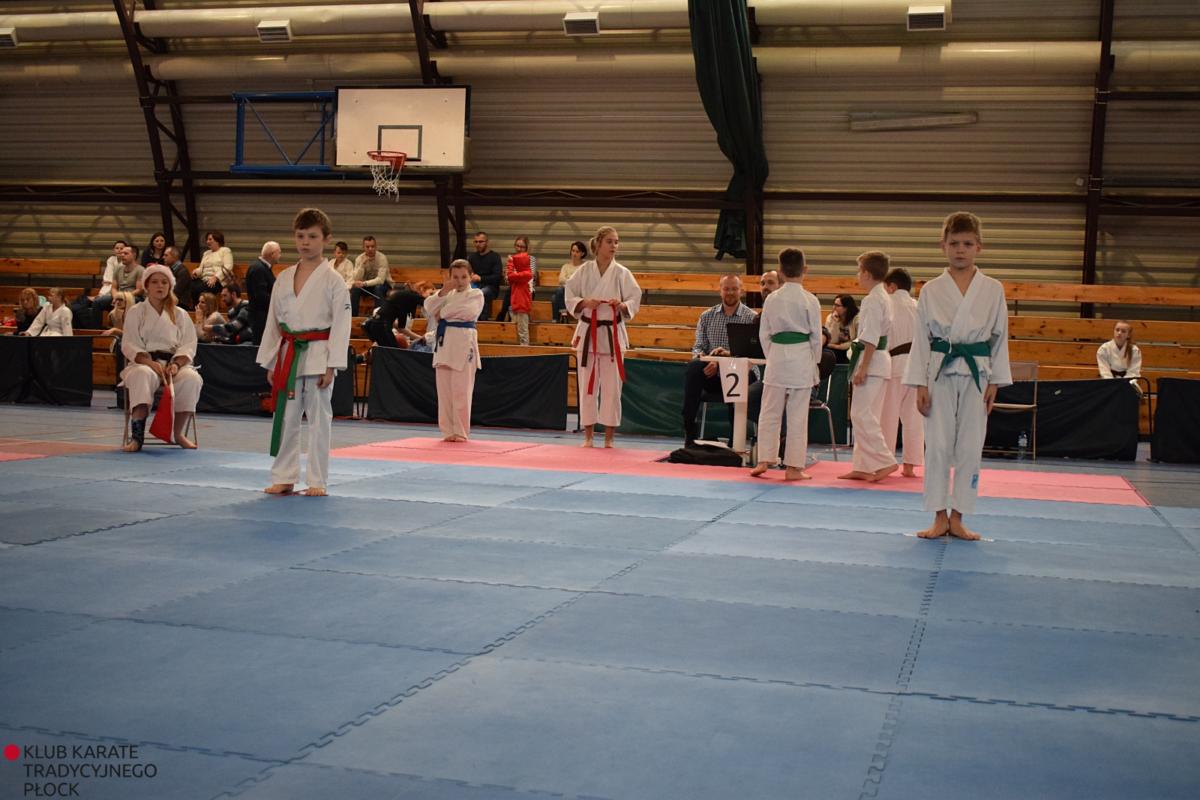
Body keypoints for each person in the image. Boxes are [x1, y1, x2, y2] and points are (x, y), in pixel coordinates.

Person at [904, 212, 1012, 541]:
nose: (960, 250)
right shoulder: (931, 289)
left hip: (978, 372)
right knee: (936, 445)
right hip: (939, 370)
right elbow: (921, 339)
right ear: (943, 246)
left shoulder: (992, 289)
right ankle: (939, 515)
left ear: (979, 247)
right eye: (954, 244)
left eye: (967, 243)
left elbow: (1000, 337)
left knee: (969, 446)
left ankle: (959, 516)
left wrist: (996, 381)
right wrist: (919, 383)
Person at [258, 207, 352, 497]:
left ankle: (317, 480)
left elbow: (342, 325)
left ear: (326, 239)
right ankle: (284, 476)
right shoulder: (284, 277)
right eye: (300, 236)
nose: (305, 242)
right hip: (288, 354)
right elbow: (273, 322)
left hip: (319, 354)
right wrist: (271, 362)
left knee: (319, 420)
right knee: (286, 417)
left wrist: (332, 365)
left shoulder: (334, 280)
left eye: (312, 236)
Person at [565, 225, 642, 448]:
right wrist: (584, 303)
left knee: (612, 388)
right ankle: (588, 436)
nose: (614, 246)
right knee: (586, 386)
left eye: (616, 242)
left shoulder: (622, 273)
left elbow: (634, 298)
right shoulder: (583, 271)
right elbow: (570, 295)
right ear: (598, 244)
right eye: (609, 241)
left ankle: (609, 438)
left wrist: (622, 305)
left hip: (612, 333)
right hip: (588, 332)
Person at [751, 249, 823, 481]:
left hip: (777, 357)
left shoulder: (772, 299)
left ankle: (764, 459)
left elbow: (764, 334)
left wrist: (773, 355)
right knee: (797, 416)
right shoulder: (810, 300)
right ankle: (793, 468)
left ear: (780, 272)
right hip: (801, 357)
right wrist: (814, 362)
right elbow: (816, 337)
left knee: (769, 411)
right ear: (805, 270)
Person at [120, 264, 202, 452]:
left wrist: (176, 364)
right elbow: (129, 343)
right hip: (144, 363)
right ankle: (137, 437)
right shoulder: (136, 312)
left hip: (173, 366)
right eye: (155, 282)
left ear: (170, 286)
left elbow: (189, 344)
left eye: (164, 282)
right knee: (142, 375)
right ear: (146, 286)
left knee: (192, 378)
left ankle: (178, 433)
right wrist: (149, 362)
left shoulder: (180, 314)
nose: (160, 286)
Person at [839, 251, 896, 482]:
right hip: (880, 361)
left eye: (858, 270)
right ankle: (862, 466)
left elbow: (870, 337)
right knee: (867, 414)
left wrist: (863, 368)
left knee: (861, 414)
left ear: (866, 273)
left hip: (872, 362)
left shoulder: (874, 299)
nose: (857, 275)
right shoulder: (883, 295)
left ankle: (885, 460)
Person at [681, 275, 758, 447]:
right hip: (712, 375)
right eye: (726, 288)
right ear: (720, 291)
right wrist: (708, 360)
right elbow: (698, 348)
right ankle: (689, 430)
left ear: (741, 291)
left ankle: (735, 441)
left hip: (742, 374)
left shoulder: (751, 317)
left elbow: (753, 353)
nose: (730, 292)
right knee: (693, 367)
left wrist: (723, 361)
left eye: (734, 289)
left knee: (740, 374)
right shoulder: (706, 316)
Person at [425, 260, 485, 441]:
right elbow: (428, 307)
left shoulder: (476, 294)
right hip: (444, 344)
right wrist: (443, 291)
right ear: (449, 277)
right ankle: (448, 431)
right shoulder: (446, 294)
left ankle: (460, 432)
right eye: (455, 277)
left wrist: (442, 313)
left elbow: (467, 312)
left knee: (461, 391)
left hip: (463, 343)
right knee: (444, 393)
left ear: (471, 276)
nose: (459, 281)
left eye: (464, 277)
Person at [881, 267, 924, 478]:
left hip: (894, 365)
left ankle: (885, 463)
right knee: (914, 418)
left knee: (887, 417)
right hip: (917, 367)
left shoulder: (887, 304)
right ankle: (909, 465)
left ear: (891, 286)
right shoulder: (920, 306)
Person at [364, 282, 434, 349]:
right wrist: (421, 338)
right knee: (393, 353)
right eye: (431, 293)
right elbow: (430, 303)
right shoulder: (413, 297)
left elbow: (400, 328)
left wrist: (420, 338)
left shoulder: (404, 297)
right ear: (422, 289)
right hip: (381, 326)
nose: (432, 296)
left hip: (376, 325)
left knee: (390, 352)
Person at [72, 239, 125, 328]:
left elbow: (115, 282)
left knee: (93, 301)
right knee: (80, 300)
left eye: (121, 248)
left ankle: (94, 327)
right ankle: (84, 326)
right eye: (117, 248)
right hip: (105, 290)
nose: (119, 250)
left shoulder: (125, 263)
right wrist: (108, 284)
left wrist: (108, 284)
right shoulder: (111, 259)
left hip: (115, 293)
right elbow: (107, 278)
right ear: (113, 250)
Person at [245, 241, 279, 346]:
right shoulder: (258, 269)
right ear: (272, 254)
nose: (280, 256)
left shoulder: (263, 268)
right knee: (260, 347)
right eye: (279, 252)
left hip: (262, 316)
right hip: (260, 318)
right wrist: (278, 304)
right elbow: (261, 296)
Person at [349, 235, 390, 315]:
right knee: (355, 289)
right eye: (367, 247)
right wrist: (362, 265)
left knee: (378, 288)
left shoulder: (382, 258)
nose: (370, 249)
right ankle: (353, 317)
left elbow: (381, 280)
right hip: (367, 286)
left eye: (372, 246)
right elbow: (356, 278)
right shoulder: (359, 258)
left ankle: (378, 316)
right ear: (363, 247)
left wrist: (364, 283)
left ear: (376, 247)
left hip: (383, 285)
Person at [191, 230, 234, 306]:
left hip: (219, 281)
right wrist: (196, 272)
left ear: (217, 240)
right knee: (191, 285)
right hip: (205, 280)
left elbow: (228, 266)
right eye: (207, 239)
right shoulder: (206, 253)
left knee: (200, 288)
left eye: (210, 239)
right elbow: (201, 268)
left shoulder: (225, 250)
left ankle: (204, 308)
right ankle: (196, 308)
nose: (207, 241)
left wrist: (215, 277)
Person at [467, 231, 503, 320]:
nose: (478, 244)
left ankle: (482, 321)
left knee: (481, 293)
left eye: (481, 242)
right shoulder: (472, 257)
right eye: (476, 242)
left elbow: (497, 277)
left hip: (491, 287)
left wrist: (480, 278)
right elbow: (468, 273)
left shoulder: (495, 257)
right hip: (475, 285)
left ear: (487, 242)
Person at [1097, 320, 1143, 388]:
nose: (1119, 333)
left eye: (1123, 331)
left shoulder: (1134, 350)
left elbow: (1134, 372)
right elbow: (1104, 371)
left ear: (1128, 335)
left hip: (1128, 383)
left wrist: (1123, 384)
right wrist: (1113, 384)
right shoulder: (1104, 349)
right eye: (1117, 330)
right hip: (1108, 382)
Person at [506, 239, 535, 345]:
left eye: (522, 246)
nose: (519, 249)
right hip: (515, 302)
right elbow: (508, 278)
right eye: (517, 246)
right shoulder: (521, 273)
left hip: (522, 305)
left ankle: (525, 351)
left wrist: (510, 263)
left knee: (523, 332)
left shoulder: (527, 274)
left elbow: (510, 275)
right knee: (516, 331)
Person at [553, 241, 588, 322]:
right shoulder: (565, 266)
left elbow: (583, 282)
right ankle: (562, 316)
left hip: (577, 293)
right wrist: (573, 280)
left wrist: (568, 280)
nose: (574, 254)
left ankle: (556, 319)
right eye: (573, 251)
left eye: (577, 252)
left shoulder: (584, 267)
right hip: (566, 292)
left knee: (557, 295)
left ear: (582, 253)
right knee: (555, 296)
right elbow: (561, 280)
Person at [826, 293, 859, 363]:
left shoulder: (857, 319)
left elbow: (857, 341)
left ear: (846, 308)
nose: (834, 307)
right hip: (835, 349)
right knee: (826, 353)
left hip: (851, 349)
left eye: (837, 305)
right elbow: (831, 341)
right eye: (834, 304)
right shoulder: (831, 318)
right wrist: (835, 323)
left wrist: (838, 346)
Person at [164, 246, 193, 311]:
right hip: (172, 301)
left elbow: (176, 291)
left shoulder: (183, 271)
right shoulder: (171, 269)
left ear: (174, 256)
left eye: (166, 255)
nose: (163, 257)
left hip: (181, 305)